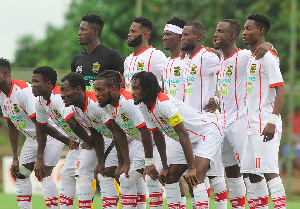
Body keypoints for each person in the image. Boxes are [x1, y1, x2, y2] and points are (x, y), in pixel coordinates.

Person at [131, 71, 223, 208]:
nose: (132, 91)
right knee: (170, 177)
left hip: (208, 132)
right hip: (187, 139)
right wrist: (165, 166)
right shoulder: (143, 106)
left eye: (136, 88)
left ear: (147, 90)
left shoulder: (164, 104)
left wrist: (191, 167)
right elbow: (157, 136)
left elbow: (183, 134)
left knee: (195, 178)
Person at [213, 19, 274, 208]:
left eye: (220, 31)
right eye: (216, 30)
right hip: (224, 120)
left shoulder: (245, 55)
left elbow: (269, 53)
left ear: (231, 36)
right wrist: (215, 100)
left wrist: (268, 44)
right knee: (231, 171)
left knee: (251, 171)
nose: (215, 34)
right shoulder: (219, 60)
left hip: (241, 120)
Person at [0, 58, 66, 209]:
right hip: (32, 137)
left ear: (4, 74)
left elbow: (40, 124)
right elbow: (11, 125)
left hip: (50, 134)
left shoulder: (23, 92)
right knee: (20, 174)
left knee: (43, 173)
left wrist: (39, 157)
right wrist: (15, 157)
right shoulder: (2, 95)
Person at [94, 70, 162, 209]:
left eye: (100, 90)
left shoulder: (128, 102)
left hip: (157, 138)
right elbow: (118, 132)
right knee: (129, 176)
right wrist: (123, 162)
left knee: (140, 177)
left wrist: (148, 162)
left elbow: (146, 132)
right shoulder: (107, 104)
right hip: (141, 140)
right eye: (95, 90)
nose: (96, 94)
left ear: (113, 89)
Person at [31, 66, 97, 208]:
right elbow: (41, 125)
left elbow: (73, 123)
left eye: (36, 82)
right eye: (32, 81)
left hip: (91, 137)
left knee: (83, 174)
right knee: (66, 174)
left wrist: (88, 141)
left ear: (48, 84)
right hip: (79, 140)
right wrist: (67, 140)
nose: (32, 85)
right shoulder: (40, 102)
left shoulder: (58, 97)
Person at [181, 21, 228, 208]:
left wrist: (217, 99)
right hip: (188, 126)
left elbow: (225, 79)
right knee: (195, 178)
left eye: (186, 35)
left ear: (198, 37)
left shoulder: (209, 58)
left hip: (207, 124)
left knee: (212, 176)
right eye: (182, 35)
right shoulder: (185, 59)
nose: (182, 38)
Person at [241, 14, 286, 208]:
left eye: (249, 28)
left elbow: (281, 89)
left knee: (269, 171)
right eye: (244, 28)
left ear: (261, 31)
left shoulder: (268, 57)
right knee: (251, 173)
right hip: (251, 126)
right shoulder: (253, 56)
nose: (244, 32)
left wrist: (272, 120)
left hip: (265, 124)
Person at [60, 72, 119, 209]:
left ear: (78, 90)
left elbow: (117, 131)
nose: (62, 94)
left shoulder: (96, 104)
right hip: (105, 136)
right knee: (82, 173)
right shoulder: (75, 106)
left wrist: (122, 161)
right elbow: (95, 132)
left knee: (109, 177)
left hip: (121, 137)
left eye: (65, 90)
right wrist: (100, 161)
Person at [71, 13, 124, 90]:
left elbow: (121, 85)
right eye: (79, 29)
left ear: (94, 32)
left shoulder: (112, 56)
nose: (79, 33)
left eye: (83, 29)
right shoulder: (77, 59)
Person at [124, 17, 166, 91]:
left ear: (144, 35)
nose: (129, 34)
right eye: (129, 31)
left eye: (133, 31)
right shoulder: (128, 59)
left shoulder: (156, 55)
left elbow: (169, 78)